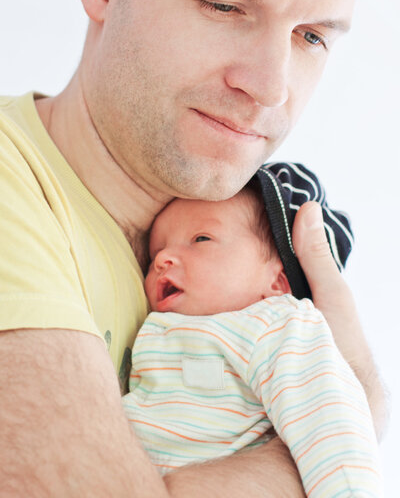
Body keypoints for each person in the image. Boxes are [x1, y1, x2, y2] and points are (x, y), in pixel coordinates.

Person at [0, 0, 386, 496]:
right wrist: (352, 410)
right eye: (225, 6)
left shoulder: (262, 255)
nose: (270, 86)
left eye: (310, 36)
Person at [122, 164, 382, 496]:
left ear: (277, 282)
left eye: (201, 239)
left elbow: (331, 422)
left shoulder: (276, 326)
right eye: (155, 253)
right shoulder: (157, 329)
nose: (163, 260)